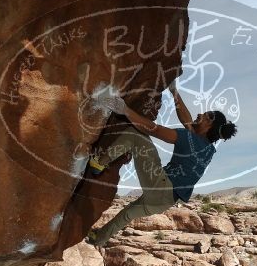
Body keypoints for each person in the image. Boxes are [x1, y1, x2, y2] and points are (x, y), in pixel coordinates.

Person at [86, 82, 237, 247]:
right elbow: (188, 122)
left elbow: (154, 130)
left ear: (209, 125)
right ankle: (98, 239)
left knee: (136, 136)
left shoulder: (189, 138)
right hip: (164, 202)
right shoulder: (208, 148)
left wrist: (125, 110)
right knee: (126, 214)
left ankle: (99, 163)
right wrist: (174, 93)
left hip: (162, 186)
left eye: (205, 115)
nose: (199, 114)